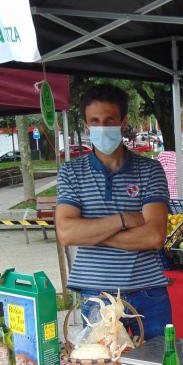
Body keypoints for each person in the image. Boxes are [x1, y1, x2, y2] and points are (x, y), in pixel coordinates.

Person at [55, 84, 172, 340]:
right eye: (95, 121)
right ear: (86, 127)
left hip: (148, 292)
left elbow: (153, 236)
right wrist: (123, 220)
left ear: (123, 121)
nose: (102, 126)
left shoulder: (150, 170)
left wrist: (92, 232)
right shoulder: (71, 173)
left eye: (109, 119)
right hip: (96, 296)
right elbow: (66, 232)